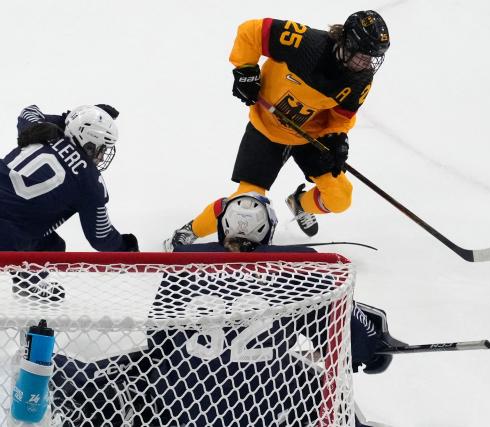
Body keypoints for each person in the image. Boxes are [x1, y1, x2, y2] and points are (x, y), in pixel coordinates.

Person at [167, 192, 403, 426]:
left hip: (180, 411)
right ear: (268, 229)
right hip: (260, 413)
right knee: (319, 385)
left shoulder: (181, 263)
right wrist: (373, 347)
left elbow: (158, 338)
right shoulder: (297, 266)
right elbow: (349, 337)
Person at [165, 10, 390, 249]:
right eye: (363, 56)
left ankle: (300, 203)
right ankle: (191, 230)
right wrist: (246, 71)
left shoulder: (360, 79)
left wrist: (337, 141)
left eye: (373, 58)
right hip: (267, 130)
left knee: (340, 198)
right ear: (347, 42)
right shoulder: (306, 43)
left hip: (309, 138)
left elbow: (341, 118)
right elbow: (251, 31)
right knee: (246, 205)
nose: (367, 64)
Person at [1, 104, 139, 302]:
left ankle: (27, 285)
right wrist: (126, 248)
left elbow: (28, 112)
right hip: (7, 234)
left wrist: (69, 119)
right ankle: (28, 286)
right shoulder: (89, 182)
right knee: (49, 249)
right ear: (90, 145)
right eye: (101, 149)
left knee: (52, 246)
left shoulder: (45, 130)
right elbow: (100, 236)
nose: (101, 156)